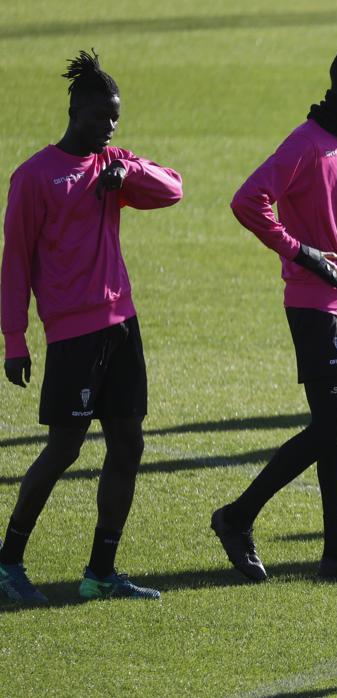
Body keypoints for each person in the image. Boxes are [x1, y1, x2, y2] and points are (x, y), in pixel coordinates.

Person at [210, 44, 337, 582]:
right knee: (329, 427)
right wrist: (301, 252)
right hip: (315, 304)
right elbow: (248, 200)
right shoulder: (305, 142)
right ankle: (236, 517)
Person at [0, 50, 182, 602]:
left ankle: (101, 573)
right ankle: (8, 563)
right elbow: (15, 262)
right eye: (101, 116)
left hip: (121, 326)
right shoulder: (35, 177)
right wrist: (14, 339)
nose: (109, 126)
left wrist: (130, 172)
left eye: (115, 118)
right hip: (73, 336)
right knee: (64, 448)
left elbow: (173, 188)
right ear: (75, 111)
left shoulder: (113, 165)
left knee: (128, 444)